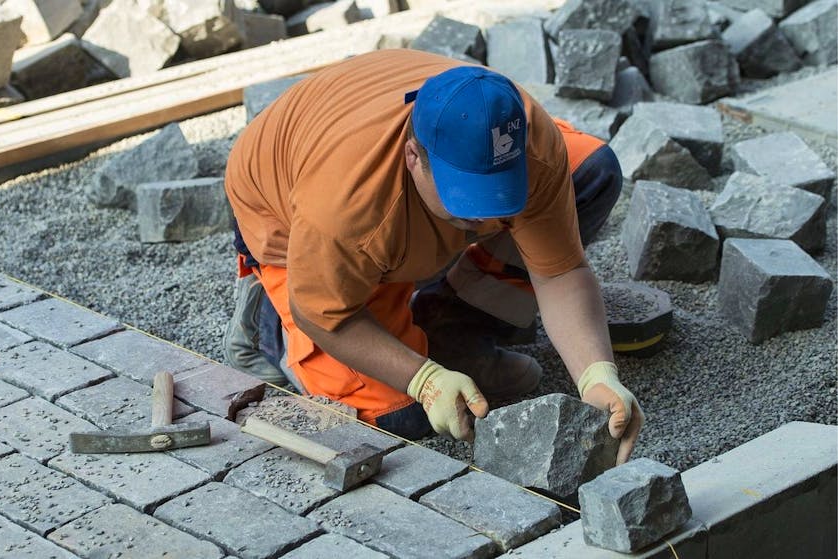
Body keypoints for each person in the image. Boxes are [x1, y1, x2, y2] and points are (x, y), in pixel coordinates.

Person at [223, 48, 643, 464]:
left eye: (500, 194)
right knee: (400, 415)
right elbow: (325, 316)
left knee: (589, 173)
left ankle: (452, 327)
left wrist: (596, 374)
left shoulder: (529, 141)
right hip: (288, 212)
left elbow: (559, 272)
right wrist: (423, 380)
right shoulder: (345, 204)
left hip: (386, 207)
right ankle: (268, 325)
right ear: (413, 157)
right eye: (469, 198)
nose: (488, 219)